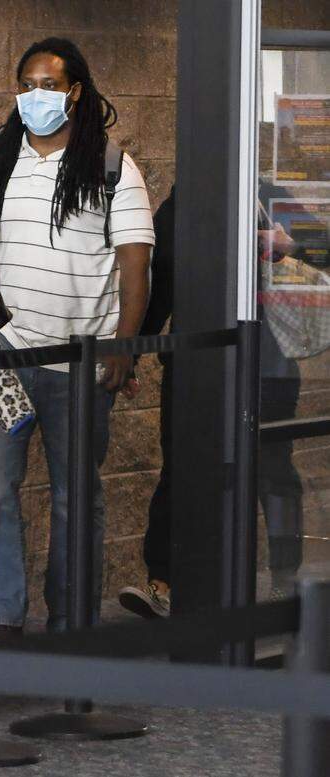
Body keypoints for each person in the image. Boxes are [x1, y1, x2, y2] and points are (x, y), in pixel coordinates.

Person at [0, 38, 154, 635]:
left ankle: (71, 621)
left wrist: (125, 345)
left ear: (74, 92)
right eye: (26, 85)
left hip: (80, 364)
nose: (35, 95)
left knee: (76, 497)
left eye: (48, 85)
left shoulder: (111, 167)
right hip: (5, 361)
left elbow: (134, 263)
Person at [119, 185, 306, 618]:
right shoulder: (182, 203)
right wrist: (131, 356)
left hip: (268, 365)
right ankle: (164, 583)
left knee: (273, 469)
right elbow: (159, 289)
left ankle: (287, 581)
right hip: (195, 366)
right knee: (180, 467)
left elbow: (322, 247)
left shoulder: (269, 197)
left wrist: (287, 244)